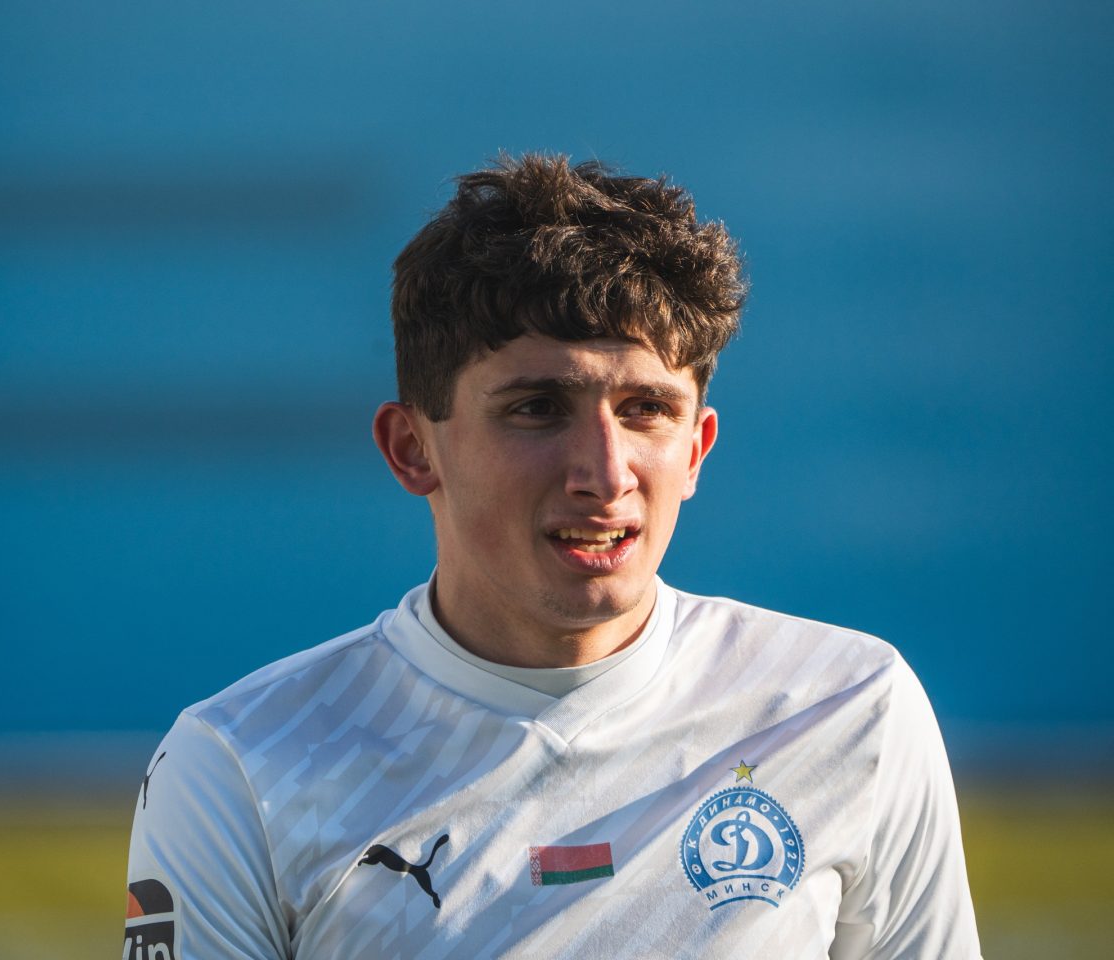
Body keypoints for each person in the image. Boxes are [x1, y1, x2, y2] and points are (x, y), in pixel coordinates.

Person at [124, 154, 981, 959]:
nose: (605, 474)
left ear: (696, 450)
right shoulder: (241, 767)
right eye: (537, 408)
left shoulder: (850, 708)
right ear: (413, 449)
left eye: (647, 410)